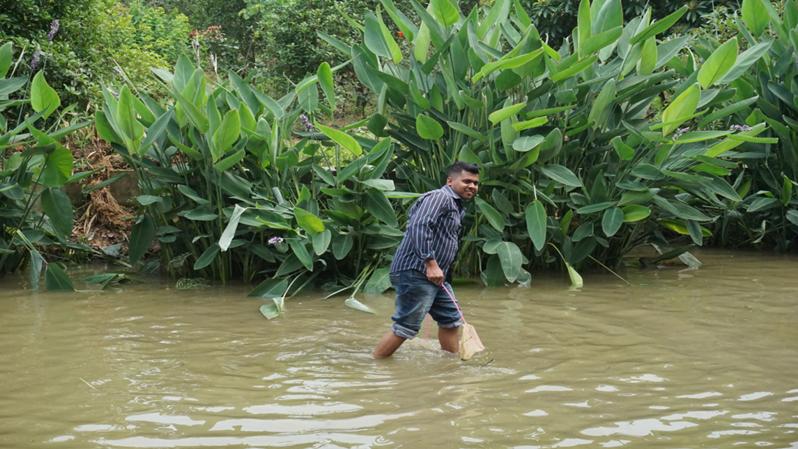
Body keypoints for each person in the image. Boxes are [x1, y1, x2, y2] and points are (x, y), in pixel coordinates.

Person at [372, 161, 480, 359]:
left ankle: (450, 366)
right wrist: (431, 263)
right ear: (450, 181)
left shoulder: (456, 205)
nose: (472, 186)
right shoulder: (440, 197)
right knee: (406, 326)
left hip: (437, 277)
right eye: (467, 181)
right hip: (417, 271)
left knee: (451, 320)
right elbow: (419, 227)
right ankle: (374, 365)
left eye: (475, 183)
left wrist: (439, 270)